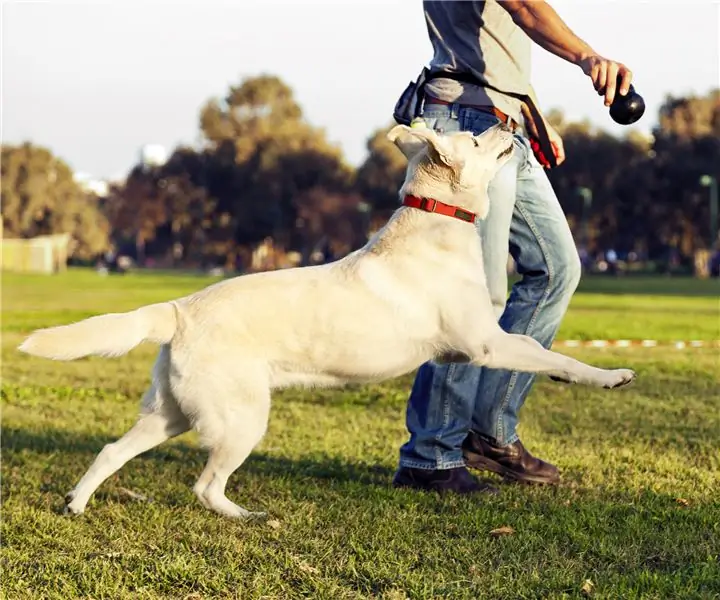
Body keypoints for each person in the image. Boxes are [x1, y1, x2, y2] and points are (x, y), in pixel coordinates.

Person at [392, 0, 634, 494]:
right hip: (467, 125)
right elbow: (523, 6)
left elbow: (495, 44)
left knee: (557, 268)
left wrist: (529, 114)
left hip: (503, 124)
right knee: (474, 298)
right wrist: (587, 57)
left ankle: (489, 432)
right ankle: (431, 455)